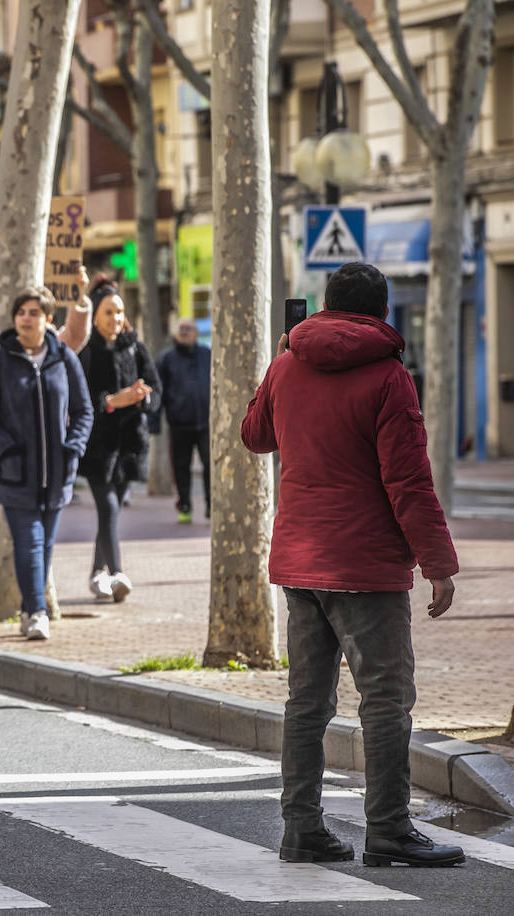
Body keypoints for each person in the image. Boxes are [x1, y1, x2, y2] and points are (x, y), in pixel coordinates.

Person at [241, 262, 464, 869]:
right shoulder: (389, 376)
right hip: (365, 566)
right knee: (385, 700)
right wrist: (438, 562)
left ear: (326, 304)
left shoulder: (288, 364)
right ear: (382, 312)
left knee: (306, 703)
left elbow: (254, 434)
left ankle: (301, 828)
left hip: (300, 561)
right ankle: (389, 828)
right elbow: (409, 481)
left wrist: (277, 362)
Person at [0, 287, 93, 640]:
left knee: (46, 544)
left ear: (48, 320)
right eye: (21, 311)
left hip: (57, 473)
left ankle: (30, 607)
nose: (26, 318)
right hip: (15, 474)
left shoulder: (64, 359)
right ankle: (37, 611)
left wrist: (74, 447)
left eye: (34, 312)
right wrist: (5, 447)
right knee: (31, 541)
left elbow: (84, 409)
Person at [78, 276, 160, 604]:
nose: (115, 318)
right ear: (95, 317)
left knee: (109, 513)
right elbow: (80, 399)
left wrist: (142, 397)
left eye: (119, 311)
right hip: (97, 445)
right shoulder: (84, 351)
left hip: (129, 444)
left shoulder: (135, 347)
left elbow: (155, 387)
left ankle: (97, 574)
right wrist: (111, 402)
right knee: (108, 507)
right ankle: (116, 574)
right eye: (108, 312)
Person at [157, 318, 211, 524]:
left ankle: (210, 505)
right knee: (180, 467)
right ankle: (185, 505)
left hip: (206, 424)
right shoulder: (167, 359)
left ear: (197, 333)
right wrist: (154, 421)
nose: (185, 332)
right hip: (179, 424)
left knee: (210, 466)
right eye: (181, 329)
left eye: (189, 329)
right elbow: (159, 390)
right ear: (175, 333)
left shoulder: (207, 355)